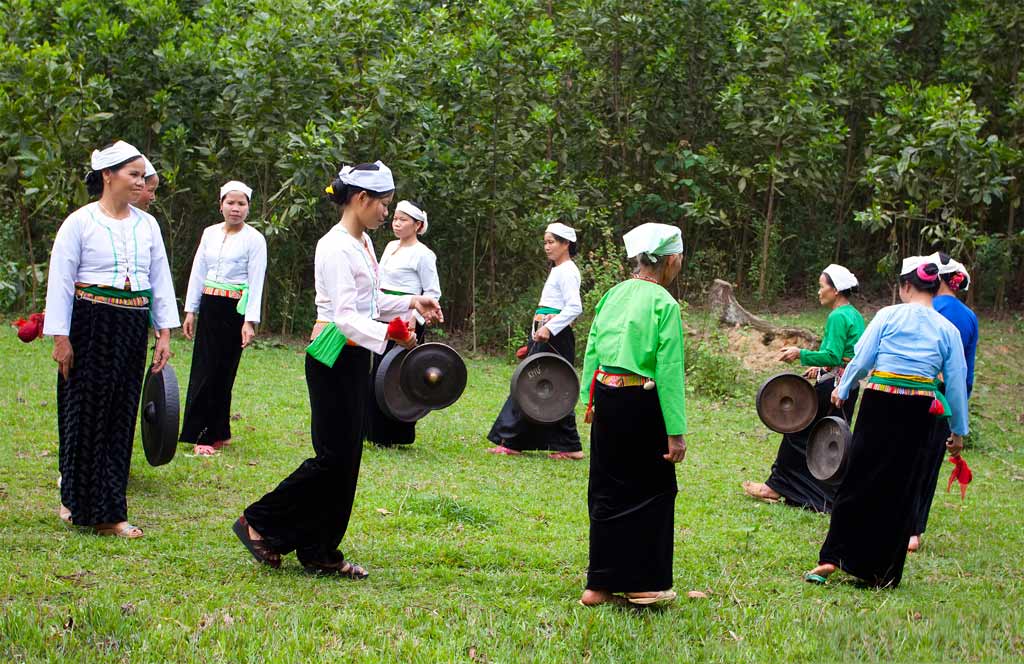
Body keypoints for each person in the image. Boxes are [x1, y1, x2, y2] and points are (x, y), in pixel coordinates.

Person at [233, 162, 442, 576]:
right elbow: (345, 317)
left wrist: (412, 302)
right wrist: (393, 336)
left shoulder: (362, 242)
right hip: (331, 351)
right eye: (383, 204)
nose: (387, 212)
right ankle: (259, 521)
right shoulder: (334, 246)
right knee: (332, 457)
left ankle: (320, 551)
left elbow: (372, 300)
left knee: (346, 458)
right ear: (361, 200)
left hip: (352, 354)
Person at [804, 256, 968, 588]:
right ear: (934, 288)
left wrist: (844, 386)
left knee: (857, 477)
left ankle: (831, 558)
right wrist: (958, 430)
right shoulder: (947, 329)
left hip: (880, 402)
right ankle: (881, 571)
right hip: (920, 410)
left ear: (905, 286)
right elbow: (955, 381)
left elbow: (863, 358)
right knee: (901, 487)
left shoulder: (888, 315)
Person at [44, 140, 179, 538]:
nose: (140, 183)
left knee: (120, 415)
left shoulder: (147, 224)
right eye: (133, 175)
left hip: (132, 324)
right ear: (108, 176)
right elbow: (61, 282)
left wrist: (164, 332)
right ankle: (75, 502)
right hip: (90, 323)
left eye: (142, 176)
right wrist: (60, 338)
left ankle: (110, 512)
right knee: (83, 413)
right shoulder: (80, 222)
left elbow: (159, 279)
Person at [578, 223, 688, 607]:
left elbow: (592, 349)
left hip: (607, 397)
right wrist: (675, 432)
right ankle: (641, 584)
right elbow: (669, 370)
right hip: (642, 402)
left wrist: (588, 401)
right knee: (651, 490)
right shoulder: (664, 304)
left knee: (606, 489)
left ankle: (598, 585)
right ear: (671, 261)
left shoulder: (612, 294)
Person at [742, 265, 865, 512]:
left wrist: (801, 353)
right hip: (847, 385)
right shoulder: (854, 315)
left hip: (835, 386)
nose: (819, 292)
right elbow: (843, 357)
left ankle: (776, 487)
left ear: (836, 289)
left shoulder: (838, 316)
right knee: (828, 439)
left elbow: (832, 355)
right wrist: (819, 370)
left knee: (797, 430)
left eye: (822, 286)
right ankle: (815, 495)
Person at [180, 181, 268, 455]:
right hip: (209, 305)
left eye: (241, 204)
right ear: (221, 205)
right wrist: (190, 310)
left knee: (223, 370)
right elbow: (198, 271)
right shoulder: (209, 233)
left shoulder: (254, 239)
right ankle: (210, 430)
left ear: (248, 207)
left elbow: (256, 281)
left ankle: (208, 435)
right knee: (203, 369)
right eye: (230, 202)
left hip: (234, 310)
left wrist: (249, 321)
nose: (235, 208)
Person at [486, 223, 584, 459]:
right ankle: (517, 441)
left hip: (556, 339)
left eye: (551, 242)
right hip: (546, 336)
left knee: (549, 387)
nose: (547, 247)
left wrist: (549, 328)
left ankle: (566, 446)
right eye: (545, 242)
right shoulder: (558, 269)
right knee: (532, 385)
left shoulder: (568, 270)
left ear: (566, 244)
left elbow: (574, 307)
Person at [908, 252, 978, 552]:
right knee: (927, 464)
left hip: (908, 394)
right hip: (944, 402)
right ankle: (914, 531)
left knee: (901, 457)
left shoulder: (920, 308)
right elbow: (962, 373)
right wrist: (957, 422)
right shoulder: (968, 317)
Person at [365, 199, 441, 446]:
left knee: (398, 376)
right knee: (377, 373)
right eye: (395, 218)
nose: (396, 224)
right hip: (383, 315)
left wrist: (414, 320)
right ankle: (374, 432)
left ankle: (397, 433)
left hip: (408, 320)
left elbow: (432, 293)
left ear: (417, 225)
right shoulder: (388, 247)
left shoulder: (424, 254)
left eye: (403, 220)